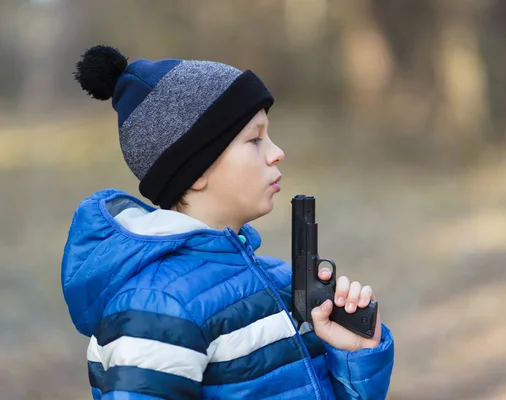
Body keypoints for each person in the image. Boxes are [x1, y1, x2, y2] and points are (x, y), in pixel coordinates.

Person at [61, 45, 394, 400]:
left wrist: (354, 355)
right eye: (254, 139)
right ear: (195, 171)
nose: (276, 152)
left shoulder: (277, 282)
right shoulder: (155, 308)